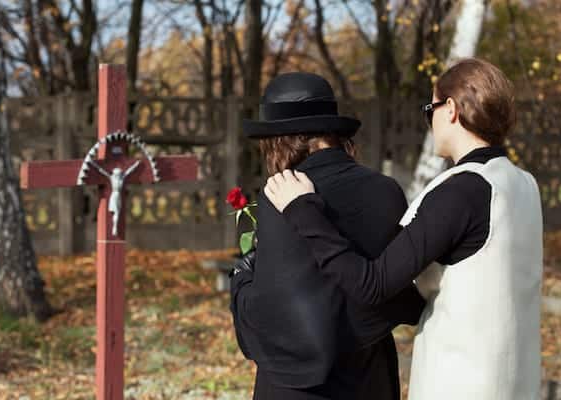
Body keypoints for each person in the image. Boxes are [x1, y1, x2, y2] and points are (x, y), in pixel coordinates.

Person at [264, 59, 543, 400]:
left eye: (431, 109)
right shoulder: (524, 184)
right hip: (517, 377)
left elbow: (372, 285)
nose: (430, 122)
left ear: (451, 109)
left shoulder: (461, 191)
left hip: (463, 379)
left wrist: (303, 211)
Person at [229, 72, 426, 400]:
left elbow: (272, 316)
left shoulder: (281, 194)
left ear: (282, 139)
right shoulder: (386, 190)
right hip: (369, 377)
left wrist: (241, 279)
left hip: (300, 385)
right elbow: (393, 290)